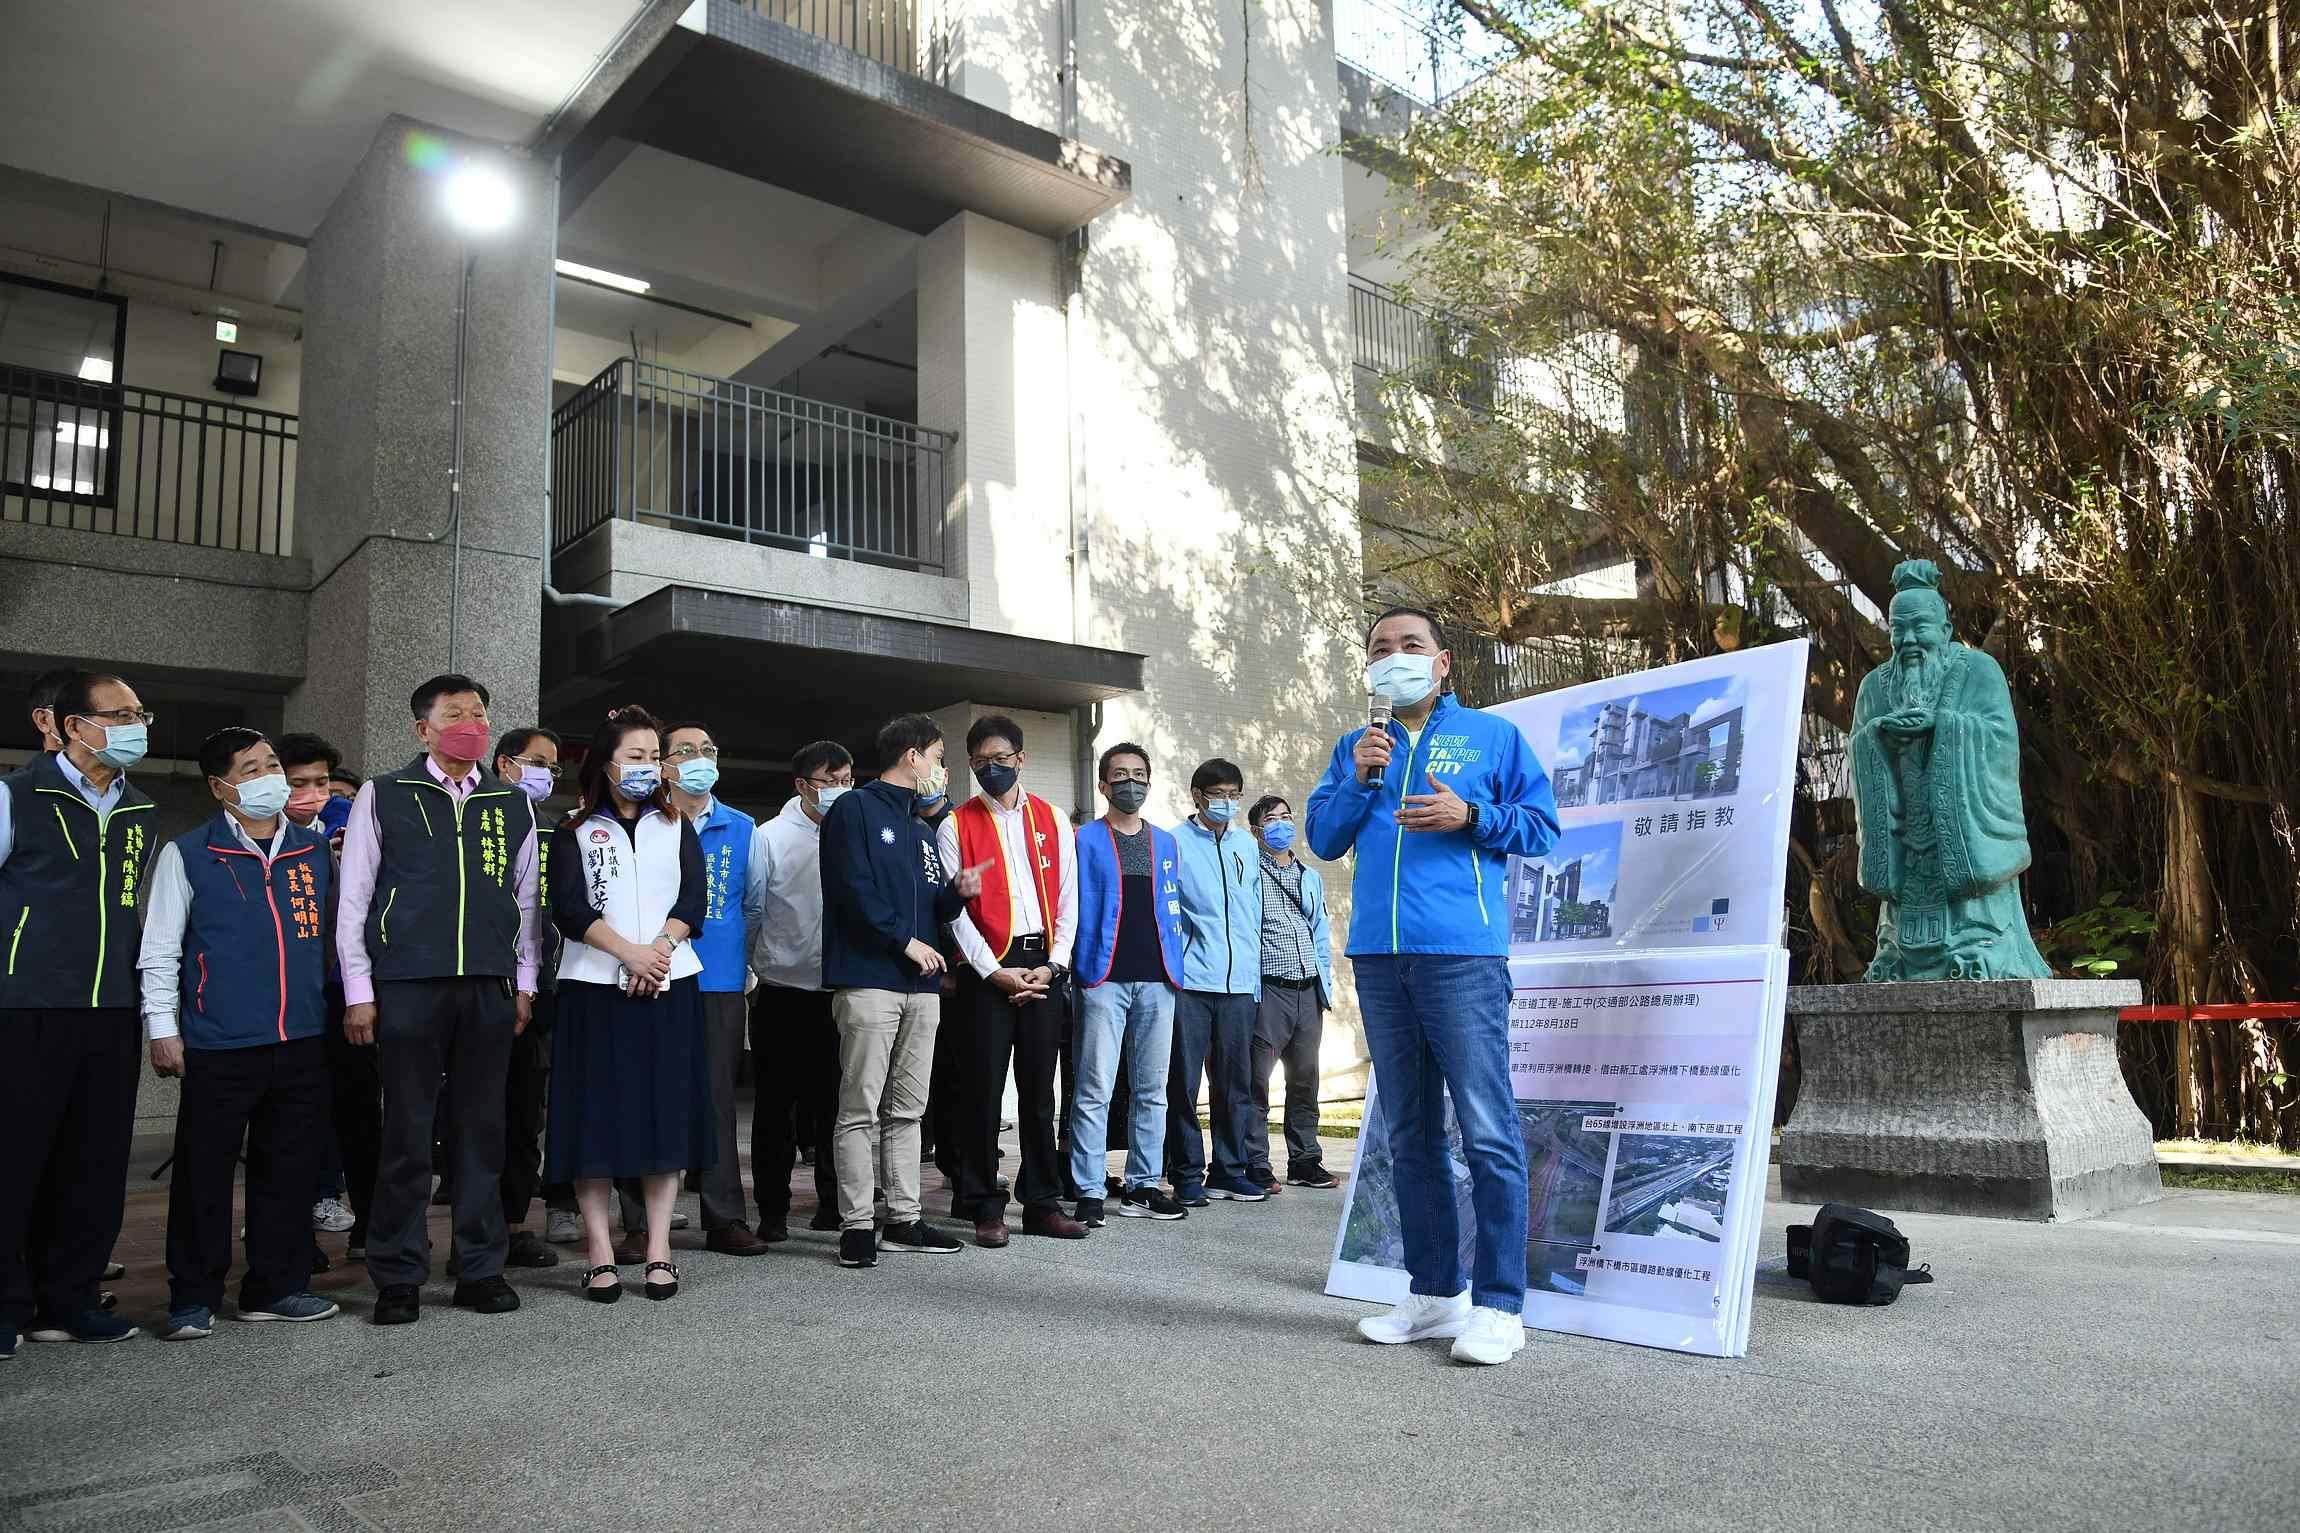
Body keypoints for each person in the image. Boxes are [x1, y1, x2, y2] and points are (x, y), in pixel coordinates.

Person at [1306, 606, 1561, 1367]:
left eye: (1410, 646)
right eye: (1380, 649)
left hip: (1461, 958)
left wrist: (1470, 812)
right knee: (1409, 1135)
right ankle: (1434, 1292)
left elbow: (1541, 827)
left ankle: (1500, 1305)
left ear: (1443, 662)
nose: (1395, 658)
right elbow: (1322, 837)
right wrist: (1357, 780)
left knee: (1487, 1129)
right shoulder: (1358, 747)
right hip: (1381, 961)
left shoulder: (1490, 736)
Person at [335, 673, 541, 1325]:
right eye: (455, 713)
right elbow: (355, 897)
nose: (471, 723)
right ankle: (398, 1271)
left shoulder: (511, 804)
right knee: (406, 1131)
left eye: (479, 712)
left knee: (482, 1129)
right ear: (424, 728)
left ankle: (479, 1265)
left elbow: (528, 901)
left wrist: (524, 983)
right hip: (406, 982)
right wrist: (359, 989)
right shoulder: (385, 794)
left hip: (487, 983)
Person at [141, 728, 340, 1338]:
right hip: (219, 1041)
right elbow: (160, 948)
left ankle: (275, 1287)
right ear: (220, 786)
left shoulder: (312, 853)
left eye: (272, 763)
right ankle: (192, 1298)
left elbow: (336, 942)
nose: (270, 776)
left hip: (301, 1037)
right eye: (252, 768)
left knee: (287, 1170)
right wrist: (163, 1027)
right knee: (202, 1173)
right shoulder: (189, 853)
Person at [0, 672, 158, 1353]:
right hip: (24, 1005)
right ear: (68, 726)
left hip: (108, 1010)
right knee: (13, 1160)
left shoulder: (139, 809)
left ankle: (71, 1298)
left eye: (139, 713)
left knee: (94, 1164)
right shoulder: (16, 794)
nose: (136, 724)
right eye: (119, 714)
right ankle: (7, 1304)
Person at [544, 706, 712, 1305]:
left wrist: (658, 951)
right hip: (594, 988)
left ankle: (659, 1248)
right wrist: (628, 955)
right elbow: (567, 908)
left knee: (662, 1114)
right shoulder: (574, 830)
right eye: (635, 757)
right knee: (594, 1117)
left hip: (671, 982)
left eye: (652, 758)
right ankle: (598, 1251)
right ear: (605, 764)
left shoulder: (676, 826)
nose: (647, 769)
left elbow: (695, 895)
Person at [817, 713, 986, 1269]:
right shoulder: (852, 809)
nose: (942, 769)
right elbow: (851, 892)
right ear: (912, 756)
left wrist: (958, 894)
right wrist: (904, 942)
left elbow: (933, 907)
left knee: (908, 1109)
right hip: (869, 981)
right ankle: (857, 1224)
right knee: (859, 1108)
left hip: (922, 985)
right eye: (938, 756)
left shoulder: (919, 826)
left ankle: (905, 1219)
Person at [611, 720, 766, 1258]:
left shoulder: (745, 827)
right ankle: (637, 1222)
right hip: (649, 975)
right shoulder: (644, 820)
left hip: (718, 978)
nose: (700, 757)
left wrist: (744, 966)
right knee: (644, 1092)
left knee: (717, 1098)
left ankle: (724, 1216)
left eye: (708, 748)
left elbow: (754, 905)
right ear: (663, 764)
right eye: (685, 750)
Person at [936, 716, 1084, 1247]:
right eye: (980, 762)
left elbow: (1069, 896)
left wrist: (1055, 964)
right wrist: (993, 973)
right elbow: (954, 913)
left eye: (1000, 759)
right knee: (982, 1090)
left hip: (1042, 965)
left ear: (1020, 759)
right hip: (986, 972)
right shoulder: (956, 825)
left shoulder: (1053, 820)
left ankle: (1042, 1200)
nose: (991, 769)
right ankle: (982, 1204)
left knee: (1040, 1091)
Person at [1066, 743, 1188, 1226]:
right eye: (1119, 775)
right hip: (1102, 977)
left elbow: (1174, 907)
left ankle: (1143, 1185)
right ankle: (1090, 1190)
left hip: (1159, 978)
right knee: (1094, 1087)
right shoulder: (1083, 840)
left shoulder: (1166, 843)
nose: (1130, 783)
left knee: (1152, 1089)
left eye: (1138, 774)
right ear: (1102, 785)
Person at [743, 739, 854, 1240]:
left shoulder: (855, 831)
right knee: (775, 1106)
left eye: (845, 781)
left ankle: (834, 1203)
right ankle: (772, 1209)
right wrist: (752, 972)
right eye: (827, 782)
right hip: (783, 988)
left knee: (836, 1104)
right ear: (801, 785)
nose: (837, 791)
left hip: (838, 990)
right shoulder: (768, 837)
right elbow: (752, 909)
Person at [276, 731, 372, 1253]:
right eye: (298, 784)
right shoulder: (263, 840)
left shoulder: (349, 827)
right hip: (286, 997)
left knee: (359, 1112)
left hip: (345, 992)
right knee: (292, 1117)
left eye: (320, 783)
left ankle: (369, 1226)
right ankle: (294, 1237)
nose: (313, 794)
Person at [483, 727, 569, 1269]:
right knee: (475, 1116)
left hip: (537, 996)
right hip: (481, 988)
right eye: (536, 762)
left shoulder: (550, 832)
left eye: (552, 767)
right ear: (504, 763)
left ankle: (512, 1225)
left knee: (522, 1115)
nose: (544, 774)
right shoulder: (476, 821)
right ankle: (475, 1229)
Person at [1167, 757, 1265, 1208]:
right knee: (1183, 1083)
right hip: (1191, 982)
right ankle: (1186, 1172)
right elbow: (1167, 916)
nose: (1226, 802)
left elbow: (1254, 914)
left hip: (1239, 985)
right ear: (1197, 796)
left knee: (1235, 1084)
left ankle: (1229, 1169)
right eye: (1218, 794)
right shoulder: (1174, 843)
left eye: (1233, 795)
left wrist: (1254, 979)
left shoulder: (1247, 846)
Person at [1242, 795, 1338, 1193]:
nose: (1280, 824)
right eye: (1271, 819)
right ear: (1256, 830)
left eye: (1286, 817)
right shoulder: (1248, 874)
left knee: (1305, 1081)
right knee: (1256, 1082)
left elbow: (1319, 933)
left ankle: (1304, 1160)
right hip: (1269, 990)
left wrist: (1324, 988)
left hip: (1307, 991)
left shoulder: (1309, 877)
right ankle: (1255, 1163)